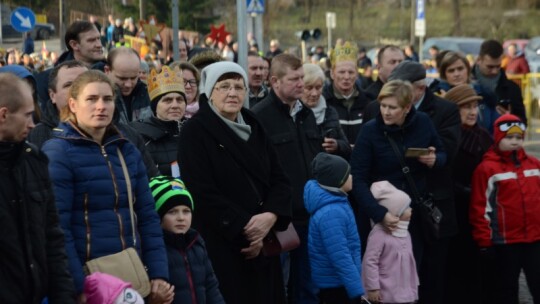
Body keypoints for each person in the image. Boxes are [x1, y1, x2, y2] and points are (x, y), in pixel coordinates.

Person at [42, 70, 171, 303]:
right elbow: (58, 228)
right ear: (72, 104)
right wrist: (77, 285)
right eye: (91, 99)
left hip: (132, 277)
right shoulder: (58, 152)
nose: (101, 106)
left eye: (107, 99)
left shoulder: (127, 149)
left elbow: (147, 216)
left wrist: (158, 273)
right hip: (89, 280)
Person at [177, 61, 292, 304]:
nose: (233, 93)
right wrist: (248, 230)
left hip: (265, 241)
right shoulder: (195, 132)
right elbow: (201, 191)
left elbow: (279, 178)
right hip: (225, 245)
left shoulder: (253, 123)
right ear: (209, 91)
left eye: (239, 87)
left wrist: (271, 216)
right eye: (224, 86)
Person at [350, 79, 447, 303]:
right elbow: (359, 179)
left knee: (411, 278)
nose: (385, 111)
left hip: (413, 216)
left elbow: (442, 152)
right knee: (381, 281)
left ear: (407, 108)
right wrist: (378, 214)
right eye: (383, 105)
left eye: (392, 107)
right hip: (379, 219)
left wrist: (435, 159)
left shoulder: (422, 122)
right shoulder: (370, 132)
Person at [252, 53, 323, 304]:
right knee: (278, 287)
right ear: (275, 81)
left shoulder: (307, 114)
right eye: (294, 79)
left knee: (309, 287)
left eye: (302, 78)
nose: (301, 84)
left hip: (310, 216)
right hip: (279, 219)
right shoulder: (259, 117)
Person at [0, 72, 76, 303]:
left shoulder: (34, 161)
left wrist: (63, 296)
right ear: (4, 115)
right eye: (27, 115)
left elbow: (52, 237)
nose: (33, 124)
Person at [470, 114, 540, 304]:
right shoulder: (487, 169)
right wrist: (484, 241)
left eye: (518, 138)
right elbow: (480, 208)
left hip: (535, 239)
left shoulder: (534, 165)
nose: (514, 142)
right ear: (498, 138)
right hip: (506, 242)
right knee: (506, 289)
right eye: (509, 138)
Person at [442, 84, 493, 304]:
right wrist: (465, 191)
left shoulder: (483, 136)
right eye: (466, 107)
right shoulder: (447, 136)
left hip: (480, 212)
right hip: (455, 211)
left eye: (475, 106)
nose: (472, 111)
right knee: (456, 268)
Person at [149, 176, 225, 304]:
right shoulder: (154, 251)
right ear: (158, 216)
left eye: (186, 211)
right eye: (172, 212)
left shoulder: (197, 244)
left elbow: (212, 288)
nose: (181, 218)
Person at [304, 152, 365, 303]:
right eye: (348, 174)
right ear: (338, 181)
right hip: (337, 285)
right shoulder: (332, 212)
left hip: (342, 281)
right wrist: (357, 289)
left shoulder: (337, 202)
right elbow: (340, 254)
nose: (352, 177)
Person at [363, 181, 418, 304]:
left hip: (404, 292)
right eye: (406, 208)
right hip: (384, 294)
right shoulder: (379, 234)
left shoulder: (406, 233)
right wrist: (373, 287)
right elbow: (370, 261)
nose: (411, 209)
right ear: (396, 213)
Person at [35, 20, 105, 112]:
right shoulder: (45, 79)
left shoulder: (111, 72)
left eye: (98, 39)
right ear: (74, 45)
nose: (99, 45)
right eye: (91, 40)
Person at [131, 66, 186, 177]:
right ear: (155, 106)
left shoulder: (195, 130)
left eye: (179, 100)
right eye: (167, 100)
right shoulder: (140, 136)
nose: (175, 105)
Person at [430, 51, 500, 135]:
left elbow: (496, 127)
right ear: (444, 75)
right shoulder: (437, 98)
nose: (456, 74)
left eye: (460, 69)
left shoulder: (484, 95)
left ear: (468, 70)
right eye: (451, 71)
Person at [322, 41, 370, 146]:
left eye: (351, 72)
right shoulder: (322, 102)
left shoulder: (369, 102)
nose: (347, 77)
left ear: (357, 74)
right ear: (332, 73)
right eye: (341, 72)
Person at [472, 40, 527, 125]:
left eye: (498, 66)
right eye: (490, 67)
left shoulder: (512, 89)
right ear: (479, 60)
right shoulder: (465, 84)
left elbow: (522, 123)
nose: (494, 71)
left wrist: (509, 119)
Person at [303, 63, 351, 159]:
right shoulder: (293, 113)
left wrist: (337, 145)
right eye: (309, 88)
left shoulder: (330, 112)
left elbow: (346, 146)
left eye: (318, 87)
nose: (314, 93)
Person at [105, 47, 153, 124]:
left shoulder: (149, 94)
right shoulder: (99, 98)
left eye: (133, 78)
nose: (128, 84)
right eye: (122, 78)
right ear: (107, 70)